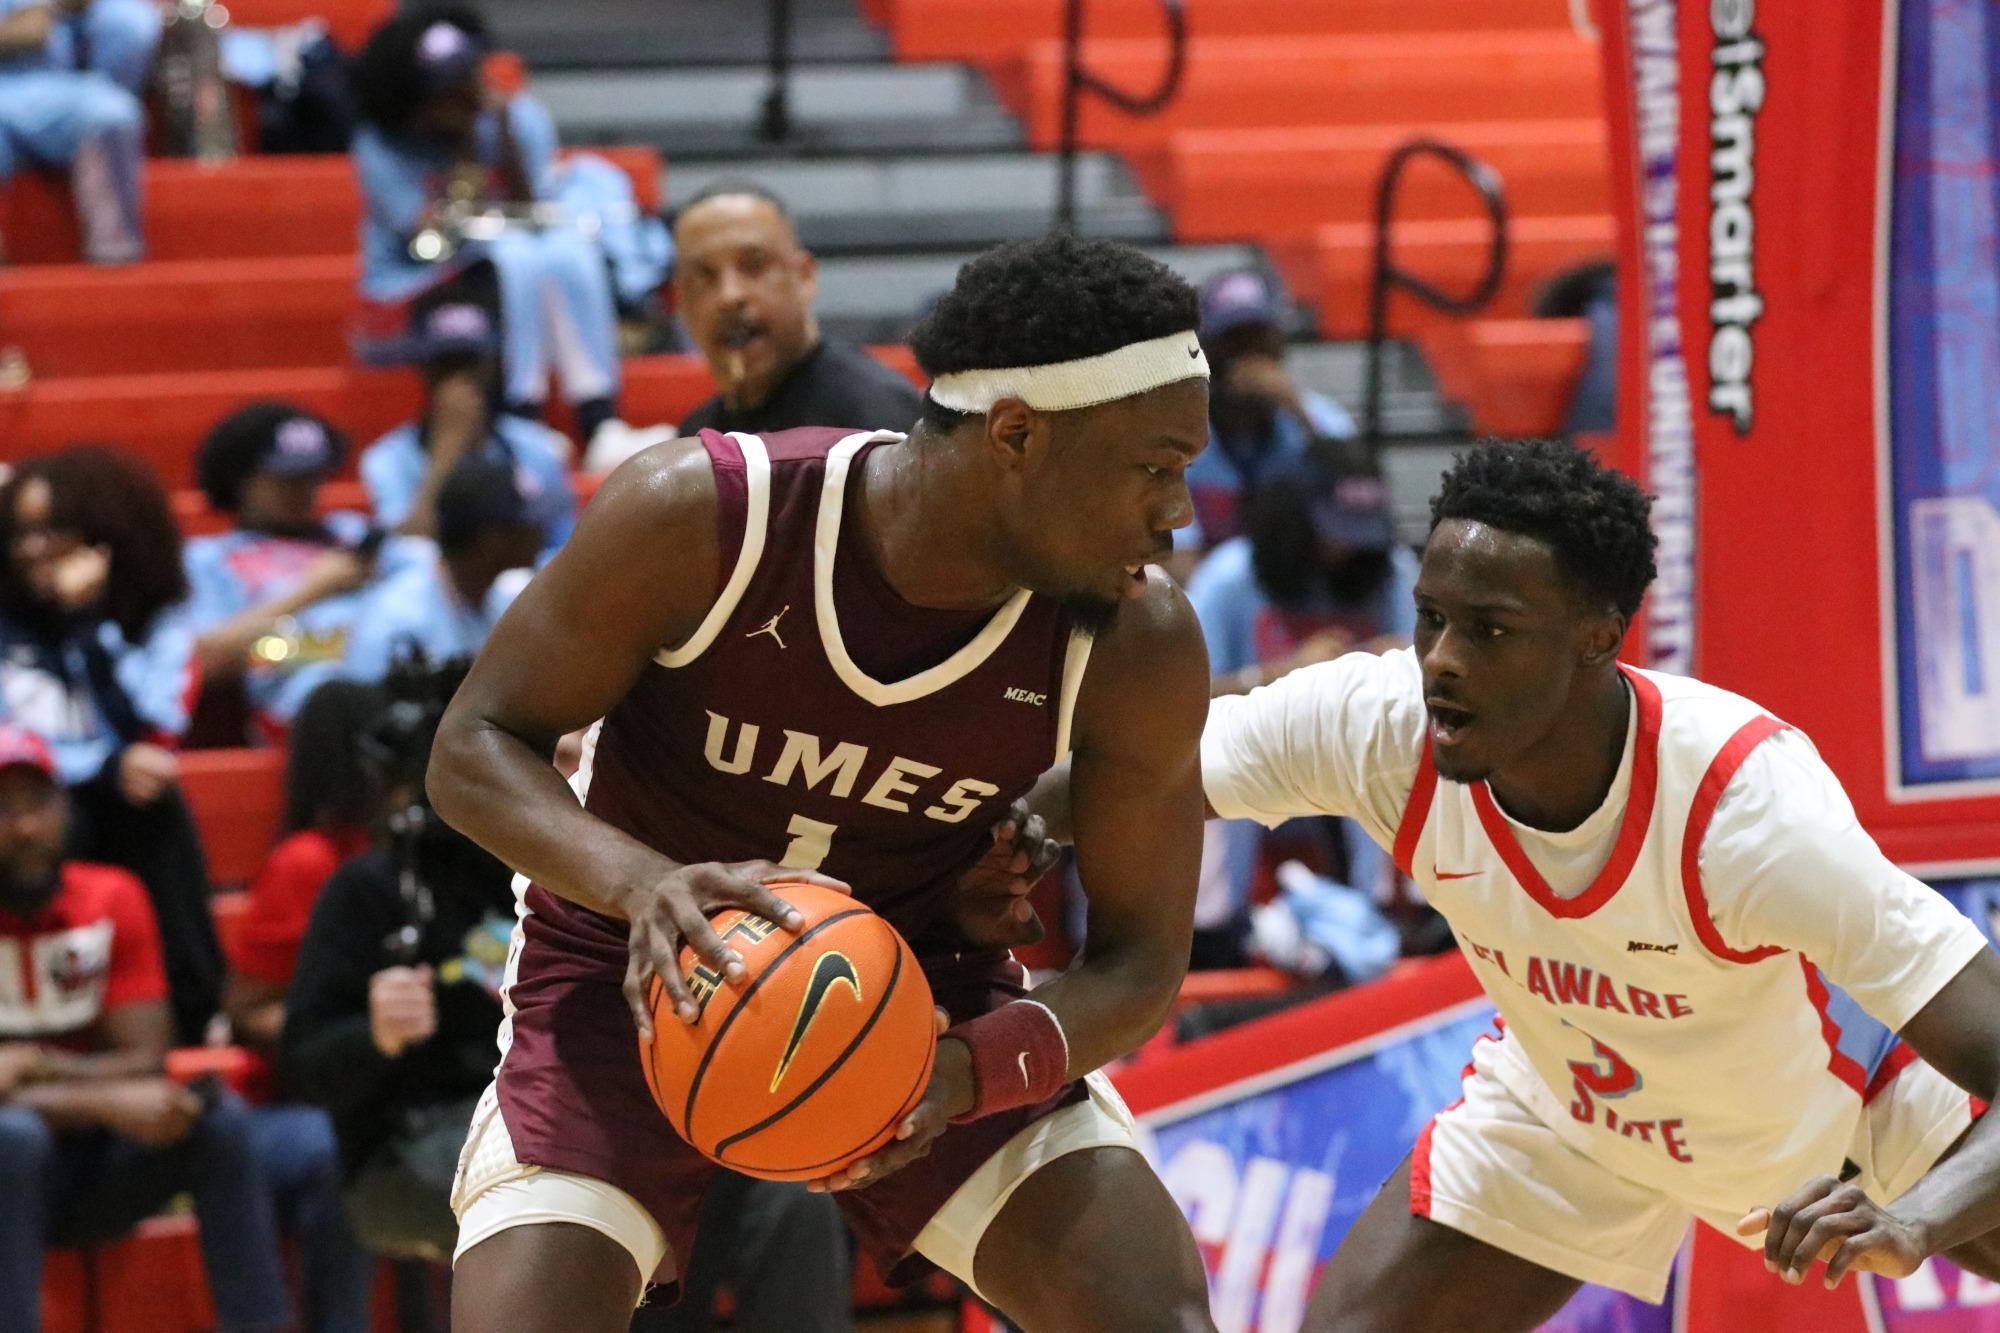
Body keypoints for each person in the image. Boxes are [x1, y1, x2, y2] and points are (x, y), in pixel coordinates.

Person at [428, 231, 1218, 1333]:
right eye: (1155, 464)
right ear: (1017, 435)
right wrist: (646, 883)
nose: (1178, 509)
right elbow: (473, 746)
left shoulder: (1137, 641)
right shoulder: (704, 515)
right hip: (638, 968)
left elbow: (1140, 963)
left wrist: (962, 1071)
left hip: (924, 986)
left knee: (1152, 1319)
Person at [1178, 439, 2000, 1330]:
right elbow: (1133, 776)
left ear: (1597, 639)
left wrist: (1917, 1220)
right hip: (1578, 1113)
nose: (1442, 660)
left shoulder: (1743, 811)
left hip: (1844, 1113)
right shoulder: (1380, 724)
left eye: (1490, 628)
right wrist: (1013, 823)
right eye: (1430, 618)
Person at [0, 724, 295, 1333]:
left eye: (38, 805)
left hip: (91, 1166)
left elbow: (144, 1055)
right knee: (15, 1138)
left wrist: (32, 1065)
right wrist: (105, 1099)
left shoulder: (112, 896)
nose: (25, 828)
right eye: (3, 811)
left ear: (66, 809)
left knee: (215, 1119)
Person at [284, 658, 516, 1259]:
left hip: (535, 1119)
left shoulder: (542, 872)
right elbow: (305, 1067)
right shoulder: (367, 889)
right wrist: (375, 1036)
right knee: (553, 1198)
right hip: (403, 1145)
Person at [0, 447, 222, 1046]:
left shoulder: (157, 620)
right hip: (24, 800)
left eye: (55, 530)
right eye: (21, 532)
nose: (33, 548)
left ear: (108, 534)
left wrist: (89, 624)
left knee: (152, 797)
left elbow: (155, 727)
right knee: (49, 806)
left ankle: (187, 1017)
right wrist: (97, 767)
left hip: (126, 806)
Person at [349, 6, 635, 449]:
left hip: (511, 262)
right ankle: (522, 423)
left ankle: (600, 420)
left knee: (566, 250)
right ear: (416, 98)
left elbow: (532, 211)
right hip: (415, 286)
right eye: (450, 87)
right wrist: (466, 150)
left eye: (470, 73)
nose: (468, 91)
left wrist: (502, 139)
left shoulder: (517, 117)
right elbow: (432, 243)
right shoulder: (381, 147)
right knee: (511, 258)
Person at [1181, 451, 1415, 972]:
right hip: (1255, 747)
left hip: (1346, 755)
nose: (1345, 545)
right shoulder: (1229, 580)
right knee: (1201, 759)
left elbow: (1427, 671)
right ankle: (1212, 937)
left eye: (1359, 530)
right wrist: (1283, 673)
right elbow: (1178, 700)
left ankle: (1391, 919)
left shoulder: (1391, 572)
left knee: (1402, 740)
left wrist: (1394, 662)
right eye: (1332, 529)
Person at [184, 402, 415, 739]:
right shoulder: (210, 558)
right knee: (329, 689)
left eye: (312, 475)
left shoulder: (352, 533)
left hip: (393, 676)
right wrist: (312, 591)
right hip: (302, 700)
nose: (306, 489)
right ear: (240, 478)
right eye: (287, 478)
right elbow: (204, 659)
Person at [668, 183, 922, 439]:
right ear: (680, 301)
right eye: (704, 276)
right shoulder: (695, 435)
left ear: (805, 276)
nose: (729, 296)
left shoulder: (876, 415)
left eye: (754, 264)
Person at [359, 296, 577, 558]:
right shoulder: (387, 460)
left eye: (469, 362)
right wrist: (448, 447)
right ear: (424, 368)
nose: (459, 378)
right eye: (446, 363)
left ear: (493, 364)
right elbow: (407, 548)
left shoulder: (538, 446)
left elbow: (563, 545)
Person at [1182, 268, 1357, 551]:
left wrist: (1298, 413)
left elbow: (1359, 512)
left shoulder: (1322, 418)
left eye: (1259, 339)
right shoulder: (1179, 430)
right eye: (1234, 340)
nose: (1249, 356)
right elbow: (1177, 558)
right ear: (1205, 350)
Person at [341, 453, 544, 685]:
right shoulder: (400, 618)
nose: (540, 533)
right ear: (489, 539)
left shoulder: (503, 598)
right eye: (525, 525)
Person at [0, 0, 143, 263]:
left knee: (113, 113)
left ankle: (114, 252)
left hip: (50, 85)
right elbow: (33, 27)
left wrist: (67, 10)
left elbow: (40, 27)